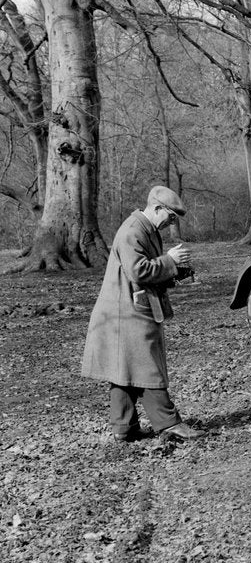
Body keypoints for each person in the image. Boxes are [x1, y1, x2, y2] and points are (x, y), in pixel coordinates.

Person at [81, 186, 206, 442]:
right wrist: (170, 260)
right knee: (147, 365)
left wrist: (177, 272)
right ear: (157, 208)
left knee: (123, 368)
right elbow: (138, 271)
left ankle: (123, 427)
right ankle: (169, 423)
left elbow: (147, 270)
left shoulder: (146, 229)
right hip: (125, 312)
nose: (172, 222)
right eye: (171, 216)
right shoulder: (133, 230)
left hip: (128, 308)